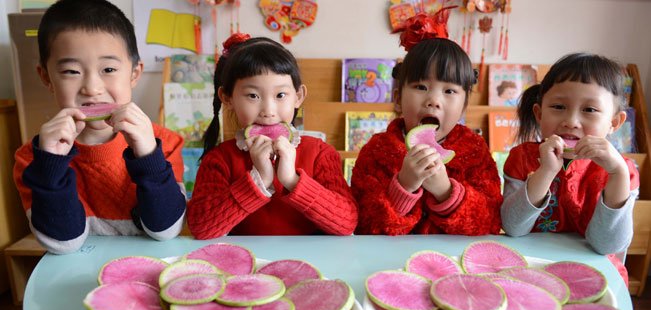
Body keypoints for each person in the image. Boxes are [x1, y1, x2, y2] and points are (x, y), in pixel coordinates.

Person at [13, 0, 186, 254]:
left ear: (134, 74)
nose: (92, 88)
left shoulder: (163, 143)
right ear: (46, 77)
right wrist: (50, 165)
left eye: (108, 69)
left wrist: (149, 156)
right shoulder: (34, 159)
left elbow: (166, 230)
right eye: (71, 71)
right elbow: (62, 244)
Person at [186, 33, 357, 238]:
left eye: (280, 95)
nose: (268, 110)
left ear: (298, 96)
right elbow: (200, 228)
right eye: (253, 96)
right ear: (227, 98)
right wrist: (259, 180)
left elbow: (347, 223)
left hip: (312, 265)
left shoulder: (320, 153)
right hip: (246, 265)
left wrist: (292, 180)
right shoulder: (219, 159)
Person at [351, 12, 502, 235]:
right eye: (421, 87)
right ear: (398, 99)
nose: (434, 101)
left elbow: (490, 220)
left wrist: (446, 191)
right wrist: (404, 187)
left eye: (449, 91)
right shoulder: (376, 151)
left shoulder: (475, 151)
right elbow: (363, 225)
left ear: (464, 106)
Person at [501, 53, 640, 287]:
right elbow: (513, 228)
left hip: (595, 278)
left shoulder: (623, 172)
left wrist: (618, 175)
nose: (571, 121)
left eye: (590, 110)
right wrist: (546, 171)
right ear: (539, 113)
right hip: (530, 272)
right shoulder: (522, 158)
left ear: (614, 123)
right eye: (558, 107)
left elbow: (607, 245)